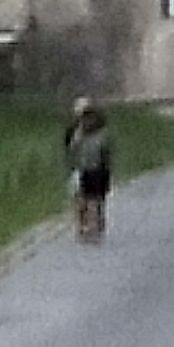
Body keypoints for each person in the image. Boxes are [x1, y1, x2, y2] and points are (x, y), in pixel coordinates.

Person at [65, 91, 116, 243]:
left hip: (97, 170)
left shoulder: (101, 134)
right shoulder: (74, 132)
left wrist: (108, 170)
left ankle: (94, 226)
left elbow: (106, 153)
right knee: (81, 200)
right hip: (81, 170)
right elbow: (70, 149)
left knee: (94, 200)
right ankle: (83, 226)